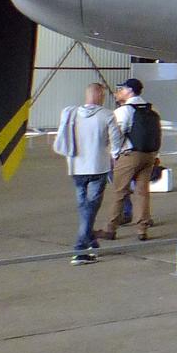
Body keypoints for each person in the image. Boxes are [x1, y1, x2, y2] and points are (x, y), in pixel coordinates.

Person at [53, 82, 114, 265]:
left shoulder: (71, 113)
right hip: (97, 167)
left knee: (84, 206)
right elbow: (116, 141)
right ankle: (80, 249)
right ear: (100, 96)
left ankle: (92, 243)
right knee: (91, 207)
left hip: (76, 167)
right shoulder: (106, 115)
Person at [101, 77, 160, 240]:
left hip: (129, 155)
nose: (118, 92)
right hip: (148, 155)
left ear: (130, 91)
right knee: (142, 193)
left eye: (121, 89)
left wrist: (115, 154)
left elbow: (117, 135)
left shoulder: (124, 111)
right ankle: (142, 229)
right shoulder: (149, 109)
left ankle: (110, 228)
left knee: (120, 192)